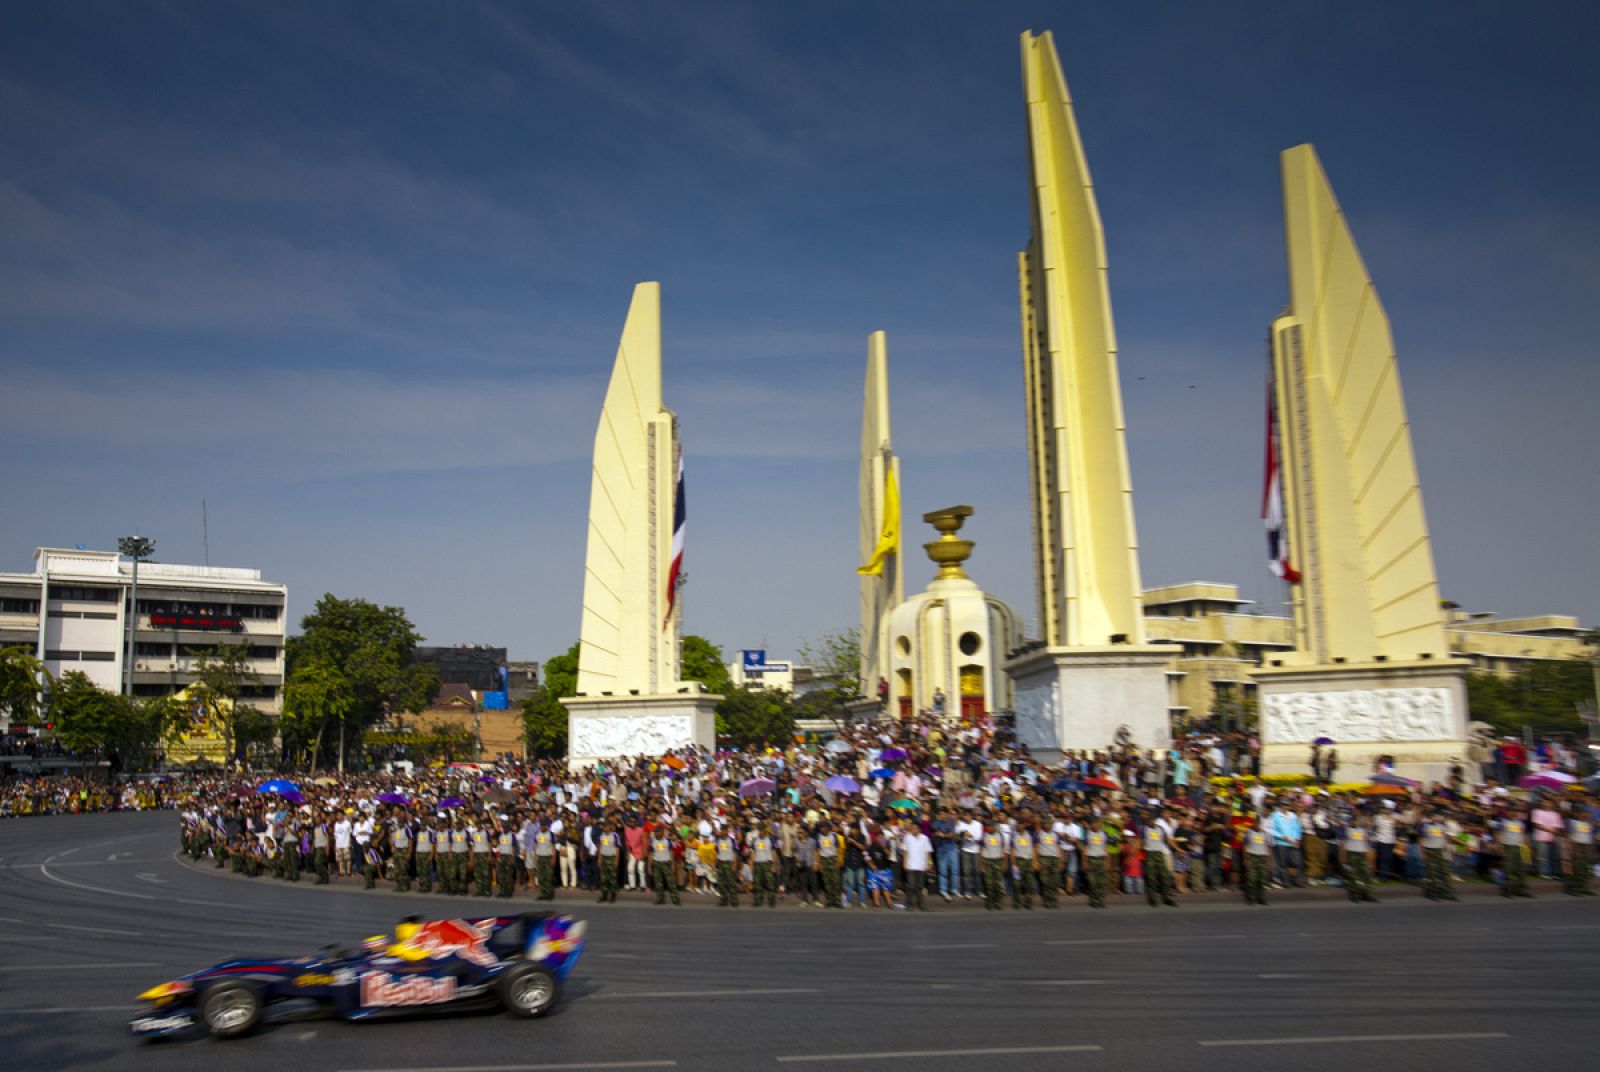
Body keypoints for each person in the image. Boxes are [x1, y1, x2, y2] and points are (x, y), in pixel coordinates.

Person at [1419, 807, 1459, 901]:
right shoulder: (1426, 826)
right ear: (1431, 817)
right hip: (1430, 851)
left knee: (1444, 873)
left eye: (1438, 816)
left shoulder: (1442, 826)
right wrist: (1422, 852)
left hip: (1440, 851)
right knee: (1432, 873)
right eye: (1434, 816)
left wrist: (1448, 849)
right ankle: (1432, 893)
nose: (1436, 818)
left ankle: (1447, 892)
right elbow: (1422, 839)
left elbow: (1444, 838)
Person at [1341, 811, 1379, 903]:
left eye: (1358, 821)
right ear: (1351, 821)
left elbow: (1366, 843)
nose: (1357, 823)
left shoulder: (1362, 830)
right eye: (1355, 821)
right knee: (1354, 875)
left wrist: (1369, 856)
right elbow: (1342, 844)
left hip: (1362, 853)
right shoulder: (1347, 830)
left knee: (1366, 874)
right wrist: (1343, 857)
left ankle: (1367, 894)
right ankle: (1355, 895)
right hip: (1352, 853)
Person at [1143, 811, 1177, 907]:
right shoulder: (1144, 829)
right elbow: (1140, 841)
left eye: (1152, 820)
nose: (1151, 821)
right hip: (1150, 854)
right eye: (1149, 820)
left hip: (1159, 853)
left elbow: (1167, 840)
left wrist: (1177, 849)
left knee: (1165, 876)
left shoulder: (1160, 829)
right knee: (1151, 878)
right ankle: (1152, 899)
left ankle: (1166, 898)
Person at [1499, 808, 1534, 898]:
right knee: (1509, 869)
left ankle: (1520, 890)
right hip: (1509, 847)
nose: (1512, 813)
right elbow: (1498, 833)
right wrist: (1499, 846)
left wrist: (1527, 847)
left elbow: (1524, 834)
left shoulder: (1520, 823)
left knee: (1521, 869)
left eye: (1514, 811)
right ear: (1506, 812)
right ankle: (1507, 890)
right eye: (1510, 811)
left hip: (1521, 847)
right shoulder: (1503, 822)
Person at [1564, 804, 1595, 897]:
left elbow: (1588, 837)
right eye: (1583, 813)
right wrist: (1573, 849)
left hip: (1586, 847)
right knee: (1576, 868)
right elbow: (1569, 837)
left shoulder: (1587, 824)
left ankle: (1583, 888)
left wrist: (1590, 849)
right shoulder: (1573, 823)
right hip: (1577, 846)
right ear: (1577, 814)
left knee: (1585, 869)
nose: (1585, 815)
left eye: (1587, 813)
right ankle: (1573, 888)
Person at [901, 822, 932, 911]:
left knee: (920, 887)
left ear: (919, 829)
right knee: (910, 886)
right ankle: (909, 904)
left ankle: (921, 904)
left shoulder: (925, 838)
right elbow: (905, 851)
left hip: (921, 866)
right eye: (912, 828)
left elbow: (928, 852)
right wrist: (904, 863)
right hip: (911, 865)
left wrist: (929, 863)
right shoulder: (907, 837)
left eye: (915, 828)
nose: (913, 830)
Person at [1242, 815, 1271, 906]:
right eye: (1256, 823)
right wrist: (1246, 859)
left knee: (1262, 880)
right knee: (1251, 879)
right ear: (1253, 823)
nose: (1257, 825)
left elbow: (1268, 847)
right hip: (1252, 857)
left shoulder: (1265, 834)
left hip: (1262, 857)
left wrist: (1268, 861)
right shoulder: (1249, 832)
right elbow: (1245, 846)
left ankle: (1261, 898)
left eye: (1259, 823)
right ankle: (1250, 898)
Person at [1082, 815, 1110, 909]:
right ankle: (1094, 900)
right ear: (1091, 825)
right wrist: (1084, 862)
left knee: (1101, 882)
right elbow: (1085, 849)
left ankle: (1101, 900)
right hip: (1091, 860)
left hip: (1101, 859)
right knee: (1092, 882)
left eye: (1098, 823)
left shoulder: (1104, 834)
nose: (1097, 825)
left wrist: (1107, 861)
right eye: (1094, 823)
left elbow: (1106, 848)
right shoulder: (1087, 834)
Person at [979, 820, 1006, 911]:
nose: (989, 828)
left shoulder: (1000, 836)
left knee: (998, 884)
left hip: (998, 860)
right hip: (988, 861)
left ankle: (998, 903)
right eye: (988, 826)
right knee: (989, 884)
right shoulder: (985, 836)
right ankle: (990, 903)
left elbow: (1003, 849)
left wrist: (1004, 863)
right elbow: (981, 850)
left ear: (995, 827)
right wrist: (982, 864)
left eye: (991, 826)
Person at [650, 824, 680, 905]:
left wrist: (673, 864)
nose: (657, 834)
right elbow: (651, 854)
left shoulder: (667, 841)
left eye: (659, 832)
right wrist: (649, 866)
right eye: (656, 832)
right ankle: (660, 899)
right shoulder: (652, 841)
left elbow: (671, 852)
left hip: (666, 863)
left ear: (662, 832)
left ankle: (675, 899)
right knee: (658, 883)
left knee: (671, 882)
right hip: (656, 863)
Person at [750, 822, 778, 907]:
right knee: (758, 884)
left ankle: (771, 901)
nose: (760, 832)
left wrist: (774, 865)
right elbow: (753, 853)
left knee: (770, 884)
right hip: (758, 863)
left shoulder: (771, 839)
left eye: (762, 830)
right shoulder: (755, 840)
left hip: (767, 864)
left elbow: (774, 852)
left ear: (765, 830)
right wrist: (751, 864)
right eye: (759, 830)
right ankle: (758, 901)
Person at [714, 827, 741, 907]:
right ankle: (723, 900)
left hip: (729, 863)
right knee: (721, 884)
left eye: (724, 830)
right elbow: (717, 853)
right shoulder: (718, 841)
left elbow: (735, 853)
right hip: (721, 863)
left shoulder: (732, 841)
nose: (722, 832)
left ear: (727, 831)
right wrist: (715, 865)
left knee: (731, 883)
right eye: (721, 830)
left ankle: (734, 901)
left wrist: (734, 864)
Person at [596, 819, 621, 903]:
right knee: (603, 878)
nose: (604, 828)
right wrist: (599, 858)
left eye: (606, 826)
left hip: (611, 858)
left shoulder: (615, 835)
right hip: (604, 858)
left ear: (610, 827)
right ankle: (604, 895)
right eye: (603, 826)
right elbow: (600, 847)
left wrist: (616, 860)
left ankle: (613, 895)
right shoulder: (601, 835)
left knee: (612, 878)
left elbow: (617, 848)